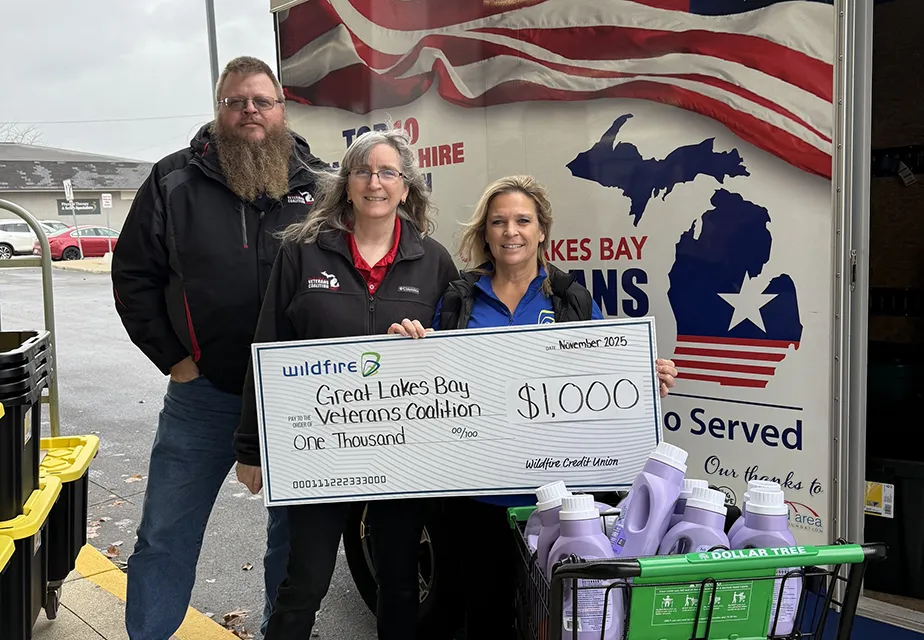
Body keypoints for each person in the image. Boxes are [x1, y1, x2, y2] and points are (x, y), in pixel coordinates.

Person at [388, 174, 678, 639]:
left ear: (542, 230)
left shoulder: (570, 299)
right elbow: (432, 383)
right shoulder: (460, 299)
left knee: (559, 622)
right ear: (485, 232)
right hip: (478, 498)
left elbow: (608, 368)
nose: (510, 231)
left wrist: (646, 377)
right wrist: (402, 350)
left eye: (523, 220)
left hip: (558, 502)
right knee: (485, 618)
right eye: (498, 221)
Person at [111, 56, 327, 639]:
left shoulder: (324, 187)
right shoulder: (172, 180)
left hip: (299, 401)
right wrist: (174, 361)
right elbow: (134, 277)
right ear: (219, 110)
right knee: (165, 532)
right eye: (236, 101)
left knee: (294, 539)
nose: (249, 111)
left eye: (261, 100)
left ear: (282, 108)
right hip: (204, 393)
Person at [232, 126, 460, 639]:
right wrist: (252, 447)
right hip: (321, 450)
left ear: (406, 187)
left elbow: (455, 359)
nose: (374, 182)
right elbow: (267, 347)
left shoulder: (435, 261)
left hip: (400, 449)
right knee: (305, 580)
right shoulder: (303, 252)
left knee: (399, 581)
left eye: (387, 172)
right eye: (362, 171)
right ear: (346, 183)